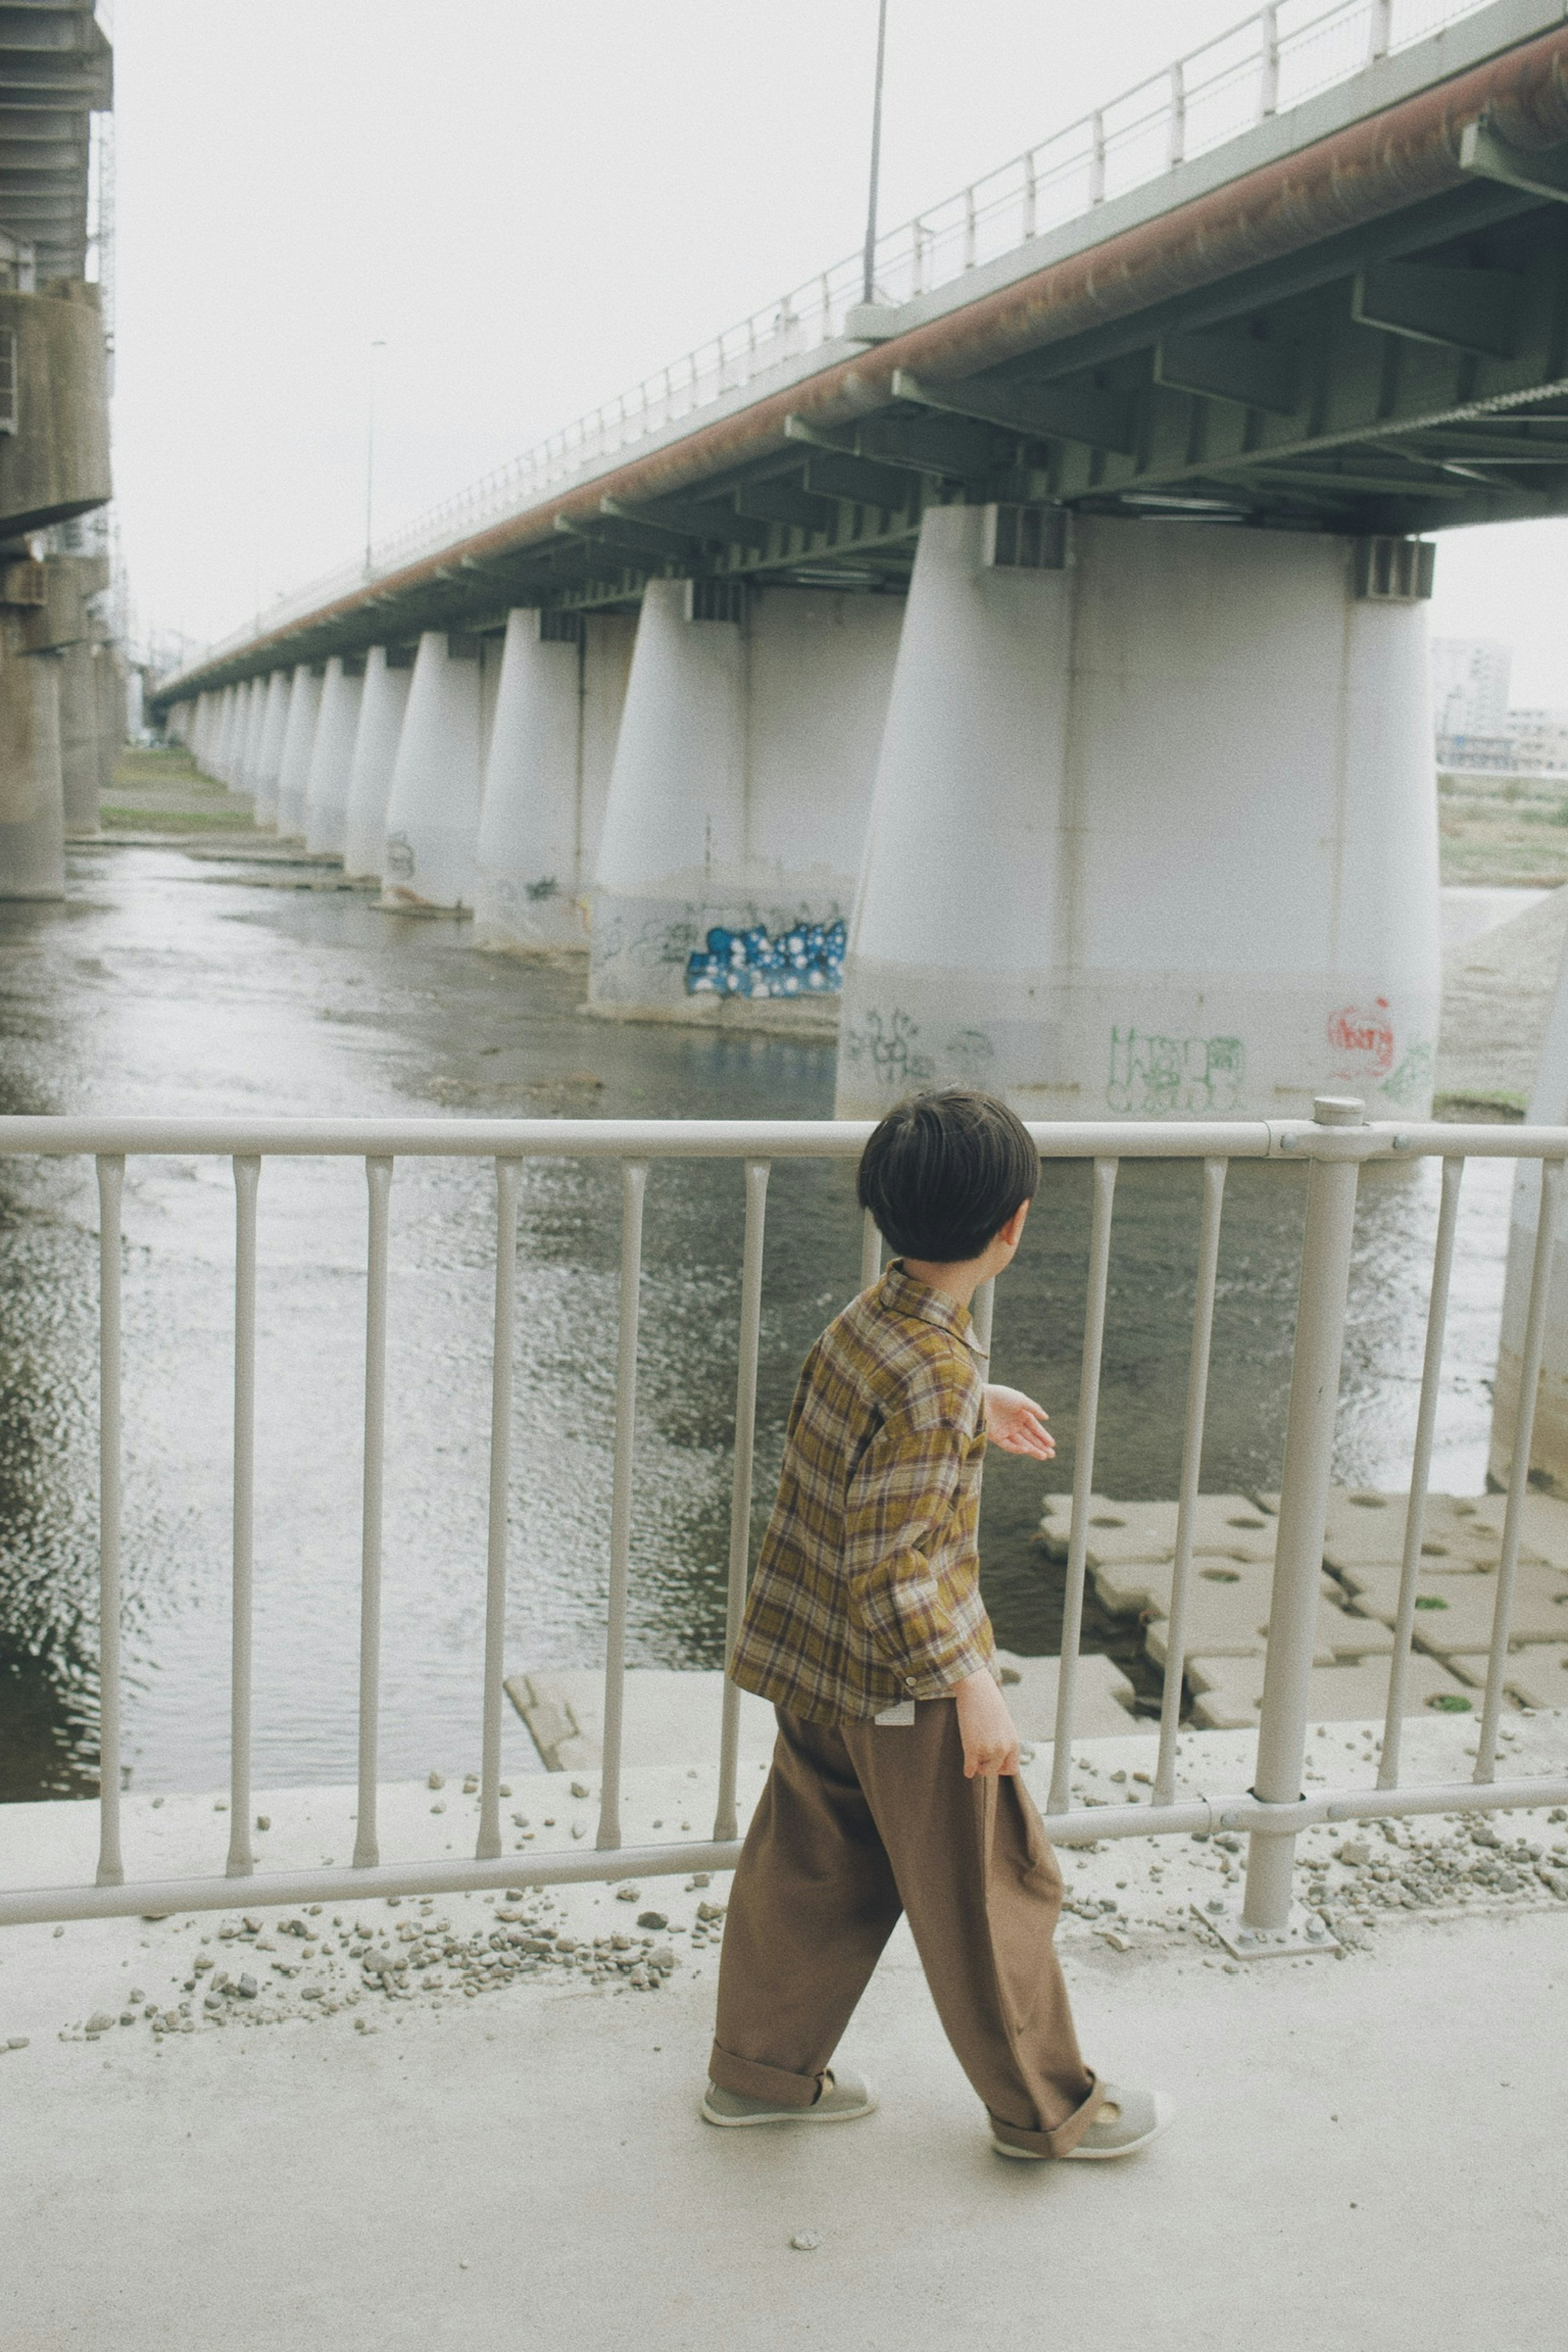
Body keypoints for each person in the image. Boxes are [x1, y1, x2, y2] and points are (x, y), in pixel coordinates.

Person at [700, 1088, 1169, 2161]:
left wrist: (976, 1399)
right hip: (903, 1690)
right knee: (990, 1890)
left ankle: (761, 2076)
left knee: (809, 1874)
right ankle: (1046, 2108)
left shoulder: (874, 1324)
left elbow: (862, 1444)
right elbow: (896, 1564)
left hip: (813, 1663)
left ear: (886, 1211)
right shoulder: (935, 1377)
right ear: (1014, 1224)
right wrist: (974, 1683)